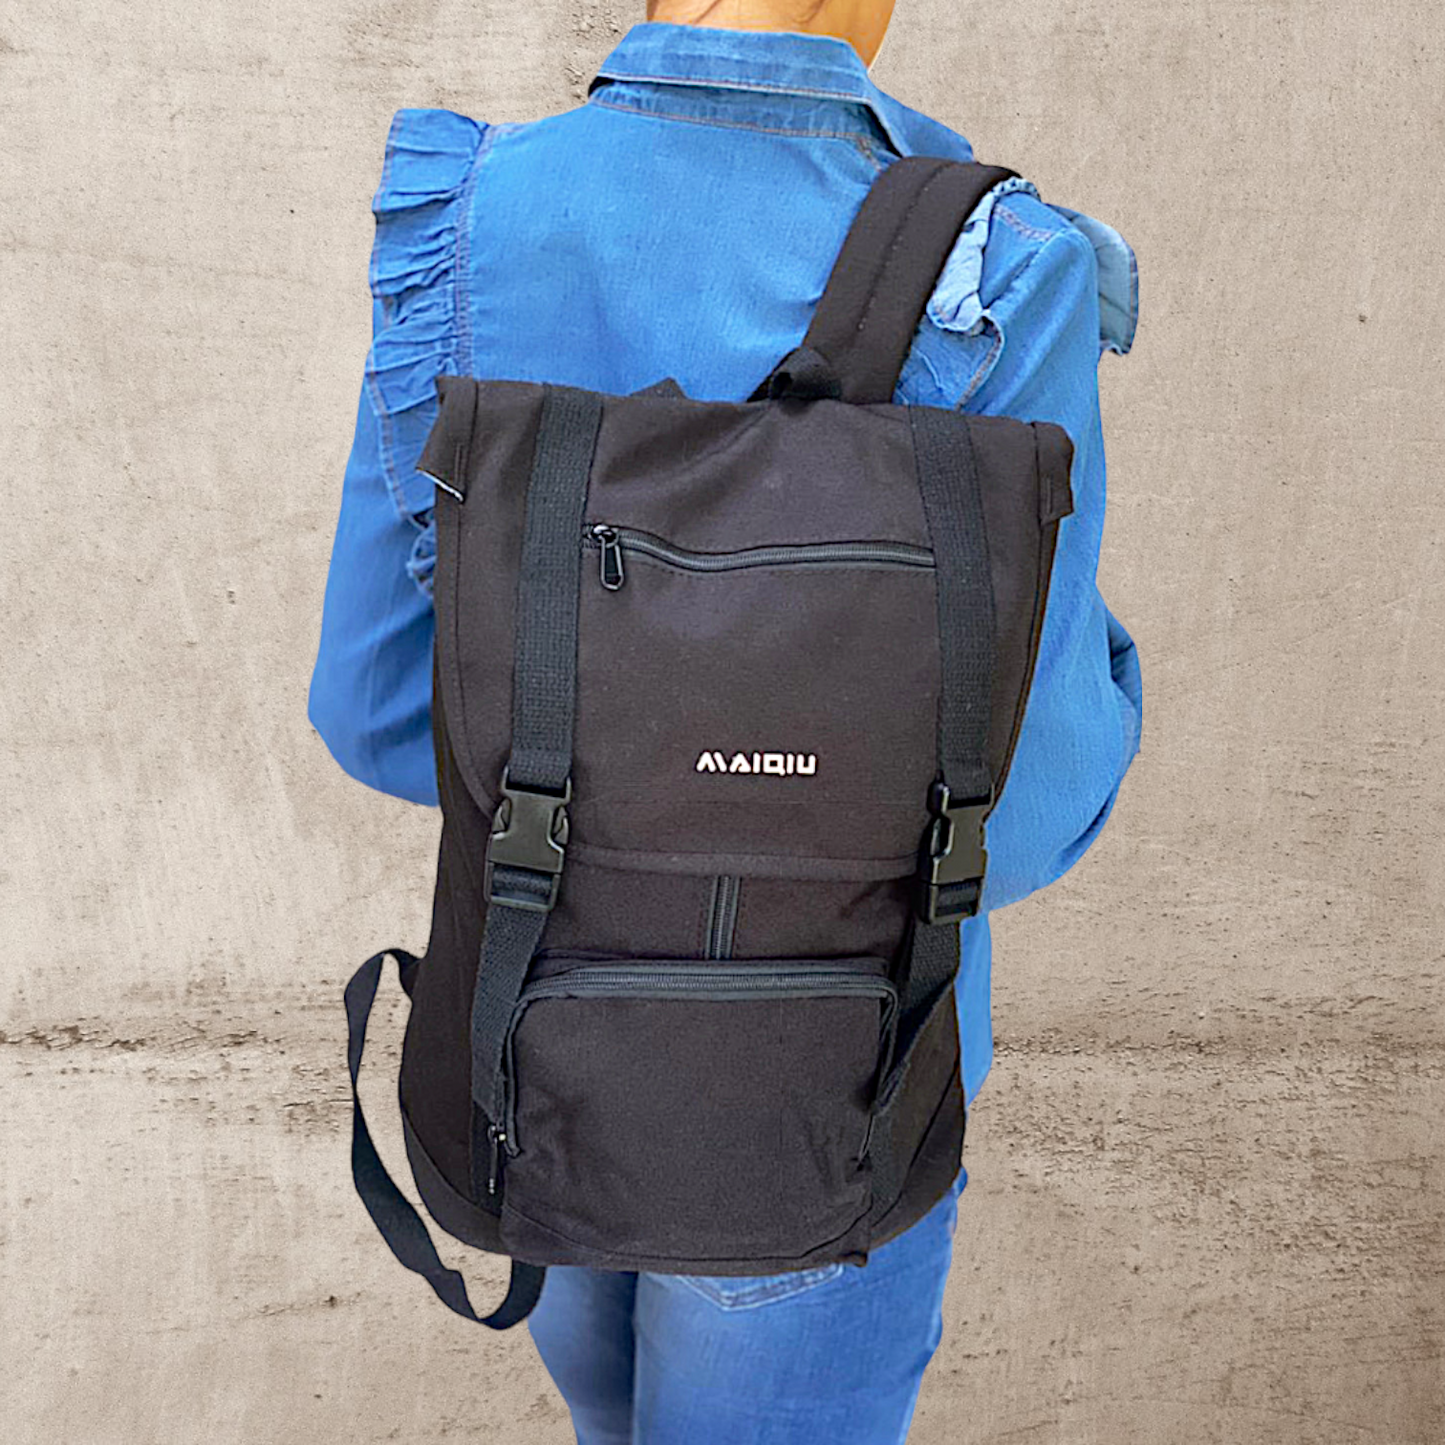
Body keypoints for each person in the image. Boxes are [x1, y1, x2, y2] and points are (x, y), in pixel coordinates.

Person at [307, 3, 1142, 1440]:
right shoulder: (1001, 268)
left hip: (531, 1057)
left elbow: (376, 711)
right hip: (830, 1096)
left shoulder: (470, 214)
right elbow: (1025, 817)